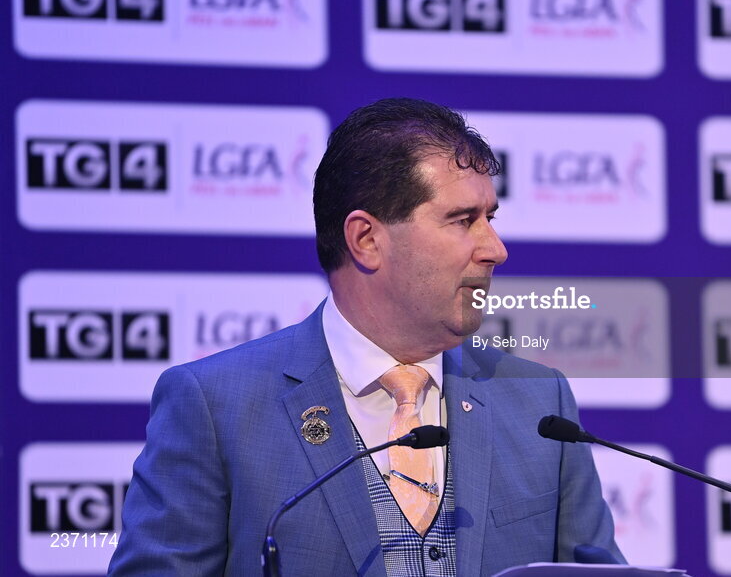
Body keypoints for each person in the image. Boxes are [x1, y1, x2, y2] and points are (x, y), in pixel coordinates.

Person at [109, 98, 624, 576]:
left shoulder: (538, 402)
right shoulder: (216, 406)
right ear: (366, 239)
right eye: (464, 220)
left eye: (489, 218)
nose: (495, 249)